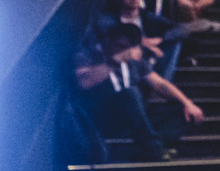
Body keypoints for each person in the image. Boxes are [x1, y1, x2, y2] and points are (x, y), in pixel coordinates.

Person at [72, 24, 204, 162]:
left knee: (182, 110)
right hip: (104, 116)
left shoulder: (133, 61)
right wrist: (115, 60)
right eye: (119, 46)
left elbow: (160, 84)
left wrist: (187, 102)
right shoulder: (87, 55)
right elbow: (83, 82)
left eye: (127, 48)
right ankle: (152, 147)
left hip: (134, 117)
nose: (123, 51)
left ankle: (147, 145)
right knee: (129, 93)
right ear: (107, 40)